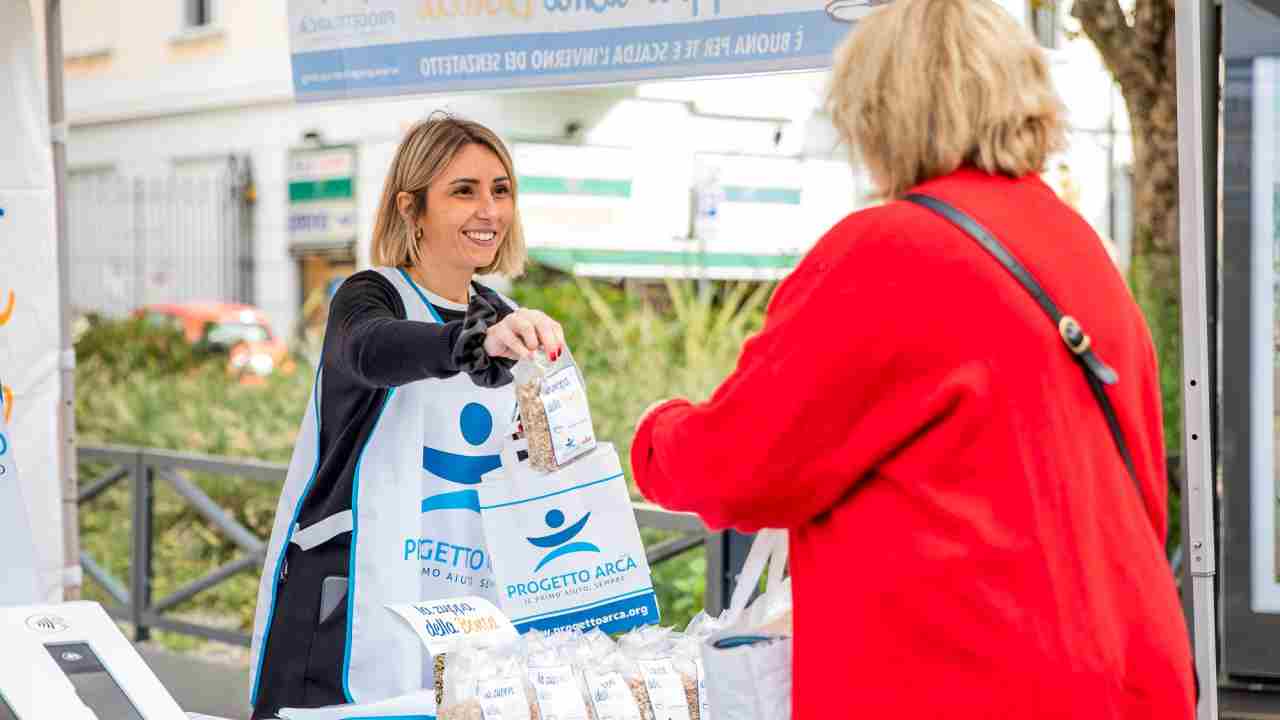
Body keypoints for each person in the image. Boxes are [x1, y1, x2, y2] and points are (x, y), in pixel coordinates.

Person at [629, 0, 1196, 717]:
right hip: (1125, 674)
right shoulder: (1078, 247)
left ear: (880, 109)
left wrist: (655, 433)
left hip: (967, 680)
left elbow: (739, 467)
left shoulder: (892, 251)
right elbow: (1143, 488)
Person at [248, 114, 564, 718]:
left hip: (470, 614)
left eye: (501, 190)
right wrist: (475, 343)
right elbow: (374, 349)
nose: (489, 210)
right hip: (356, 600)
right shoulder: (367, 296)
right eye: (463, 191)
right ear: (410, 208)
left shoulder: (509, 317)